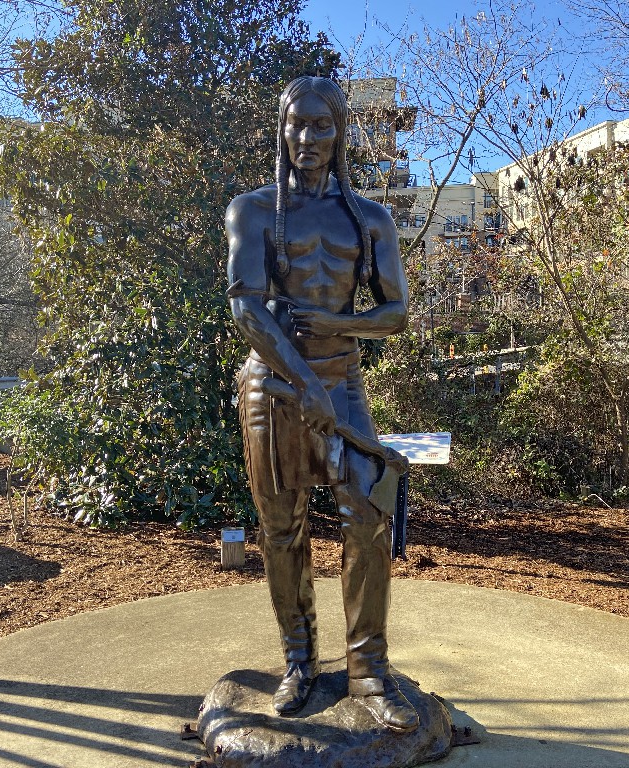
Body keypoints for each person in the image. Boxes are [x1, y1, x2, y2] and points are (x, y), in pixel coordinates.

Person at [225, 76, 418, 732]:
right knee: (281, 528)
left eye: (321, 125)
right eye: (296, 124)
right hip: (274, 384)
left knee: (367, 513)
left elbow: (394, 313)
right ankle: (299, 660)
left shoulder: (369, 218)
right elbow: (246, 308)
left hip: (342, 382)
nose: (307, 137)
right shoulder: (252, 210)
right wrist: (302, 379)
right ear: (281, 129)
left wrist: (335, 326)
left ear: (340, 134)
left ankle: (368, 671)